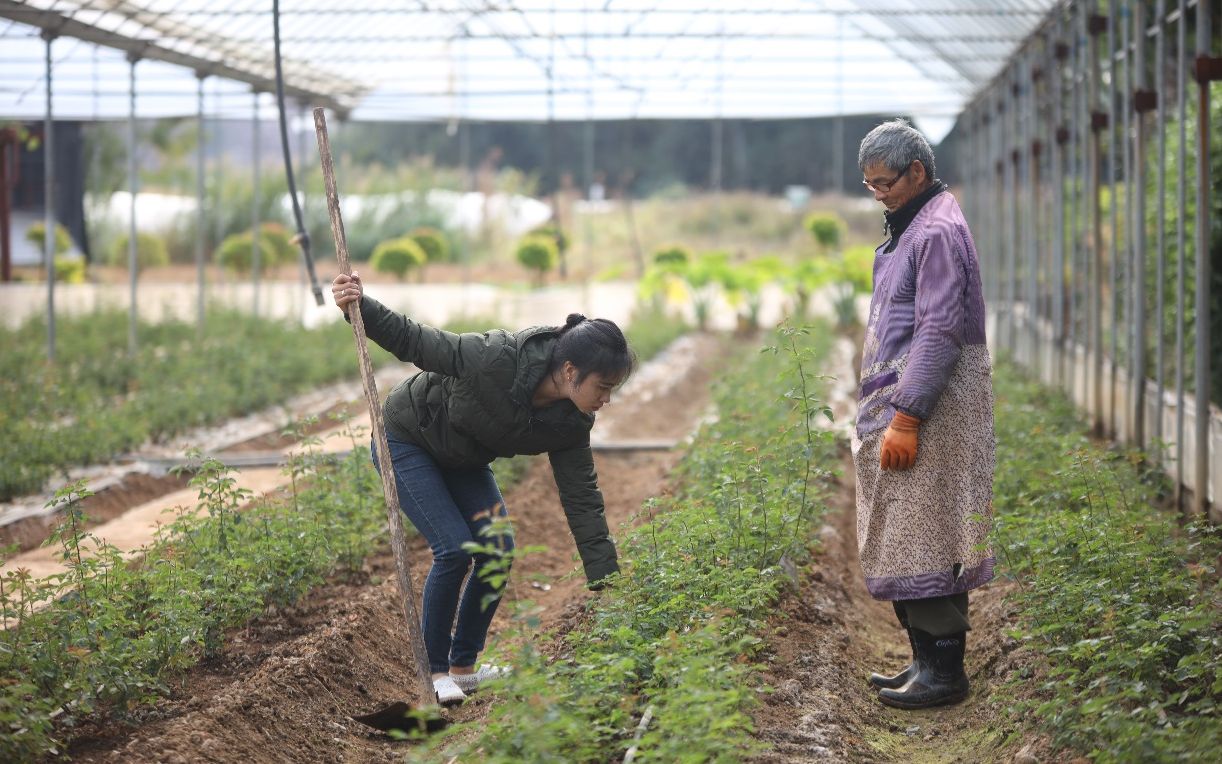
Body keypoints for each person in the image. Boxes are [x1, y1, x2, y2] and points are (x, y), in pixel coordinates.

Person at [332, 271, 633, 705]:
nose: (607, 399)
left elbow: (582, 499)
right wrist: (358, 305)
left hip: (462, 458)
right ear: (570, 371)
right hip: (407, 437)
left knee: (497, 548)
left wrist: (607, 585)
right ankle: (434, 674)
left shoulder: (571, 423)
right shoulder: (494, 358)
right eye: (603, 387)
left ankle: (463, 669)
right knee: (454, 549)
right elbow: (417, 341)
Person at [851, 119, 995, 709]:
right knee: (908, 530)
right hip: (910, 399)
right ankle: (921, 663)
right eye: (869, 185)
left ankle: (943, 673)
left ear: (918, 173)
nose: (879, 193)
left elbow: (937, 330)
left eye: (886, 182)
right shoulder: (915, 223)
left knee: (927, 531)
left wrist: (907, 416)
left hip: (929, 407)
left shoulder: (937, 230)